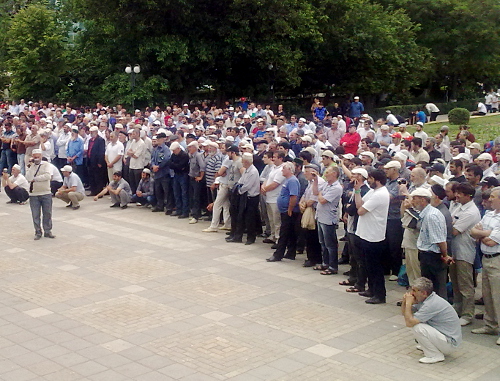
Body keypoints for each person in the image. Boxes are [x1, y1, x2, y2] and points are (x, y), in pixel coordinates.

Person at [401, 277, 461, 364]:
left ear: (424, 293)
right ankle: (430, 347)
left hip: (449, 343)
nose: (411, 293)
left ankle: (434, 355)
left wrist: (408, 303)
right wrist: (405, 302)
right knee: (418, 323)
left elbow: (409, 323)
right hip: (444, 337)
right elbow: (405, 314)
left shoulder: (431, 304)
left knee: (418, 327)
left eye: (414, 290)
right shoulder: (424, 299)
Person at [354, 169, 390, 304]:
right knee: (368, 265)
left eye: (370, 179)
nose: (368, 181)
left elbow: (361, 211)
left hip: (374, 235)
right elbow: (359, 204)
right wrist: (357, 191)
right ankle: (371, 289)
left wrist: (360, 206)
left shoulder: (380, 194)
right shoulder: (373, 191)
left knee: (375, 267)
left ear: (377, 180)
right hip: (365, 233)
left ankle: (380, 294)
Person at [411, 187, 453, 298]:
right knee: (428, 288)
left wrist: (445, 255)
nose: (412, 202)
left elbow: (440, 240)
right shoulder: (427, 214)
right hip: (427, 255)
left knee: (436, 288)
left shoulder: (431, 216)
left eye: (414, 199)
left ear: (423, 200)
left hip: (432, 257)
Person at [470, 187, 500, 344]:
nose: (489, 199)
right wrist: (487, 233)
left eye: (493, 197)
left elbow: (492, 241)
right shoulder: (489, 214)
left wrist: (482, 234)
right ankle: (490, 324)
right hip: (486, 258)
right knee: (487, 294)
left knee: (498, 295)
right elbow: (473, 231)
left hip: (497, 259)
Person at [449, 182, 481, 326]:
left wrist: (449, 224)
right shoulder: (459, 207)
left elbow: (454, 230)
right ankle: (457, 308)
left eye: (460, 194)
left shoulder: (471, 212)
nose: (457, 196)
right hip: (454, 252)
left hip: (464, 253)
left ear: (468, 196)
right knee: (455, 283)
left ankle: (468, 314)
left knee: (465, 285)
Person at [267, 162, 302, 261]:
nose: (282, 170)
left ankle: (278, 254)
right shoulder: (288, 180)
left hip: (289, 211)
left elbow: (294, 196)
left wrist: (290, 209)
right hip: (284, 210)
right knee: (290, 232)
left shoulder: (292, 181)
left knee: (284, 233)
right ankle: (291, 252)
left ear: (289, 170)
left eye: (284, 169)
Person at [227, 153, 260, 244]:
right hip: (245, 196)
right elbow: (241, 181)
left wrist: (239, 191)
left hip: (251, 197)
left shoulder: (253, 171)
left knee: (250, 218)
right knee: (241, 217)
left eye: (243, 161)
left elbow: (247, 185)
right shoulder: (246, 170)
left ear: (246, 161)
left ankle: (251, 238)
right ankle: (237, 236)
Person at [25, 149, 55, 240]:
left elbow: (48, 176)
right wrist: (30, 166)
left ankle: (47, 231)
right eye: (35, 157)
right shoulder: (30, 166)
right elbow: (29, 178)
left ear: (41, 156)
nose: (36, 159)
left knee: (47, 213)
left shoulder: (47, 165)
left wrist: (36, 179)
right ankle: (37, 231)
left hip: (46, 192)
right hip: (34, 194)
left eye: (38, 157)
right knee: (35, 214)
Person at [150, 132, 172, 214]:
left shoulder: (165, 149)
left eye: (159, 139)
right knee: (158, 191)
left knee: (167, 191)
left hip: (164, 173)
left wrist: (158, 166)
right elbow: (152, 159)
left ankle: (169, 207)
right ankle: (160, 205)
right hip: (157, 174)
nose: (158, 140)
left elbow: (166, 159)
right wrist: (153, 166)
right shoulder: (156, 149)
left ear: (163, 139)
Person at [168, 141, 190, 218]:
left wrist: (175, 165)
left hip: (183, 175)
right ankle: (178, 209)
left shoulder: (184, 155)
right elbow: (170, 163)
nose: (173, 152)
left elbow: (181, 166)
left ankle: (185, 211)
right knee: (176, 193)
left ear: (178, 148)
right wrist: (175, 165)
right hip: (176, 174)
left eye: (174, 150)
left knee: (184, 194)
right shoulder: (174, 155)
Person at [187, 141, 206, 224]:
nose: (189, 149)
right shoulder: (191, 156)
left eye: (190, 147)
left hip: (196, 179)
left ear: (195, 147)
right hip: (191, 177)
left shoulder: (198, 156)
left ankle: (195, 216)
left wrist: (201, 177)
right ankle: (196, 213)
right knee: (192, 196)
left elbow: (202, 167)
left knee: (196, 197)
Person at [87, 126, 107, 196]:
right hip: (90, 161)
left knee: (98, 177)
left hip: (97, 161)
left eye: (92, 132)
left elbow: (101, 152)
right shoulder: (90, 140)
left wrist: (100, 162)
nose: (91, 133)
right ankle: (93, 191)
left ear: (96, 132)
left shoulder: (100, 140)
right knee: (91, 177)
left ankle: (99, 192)